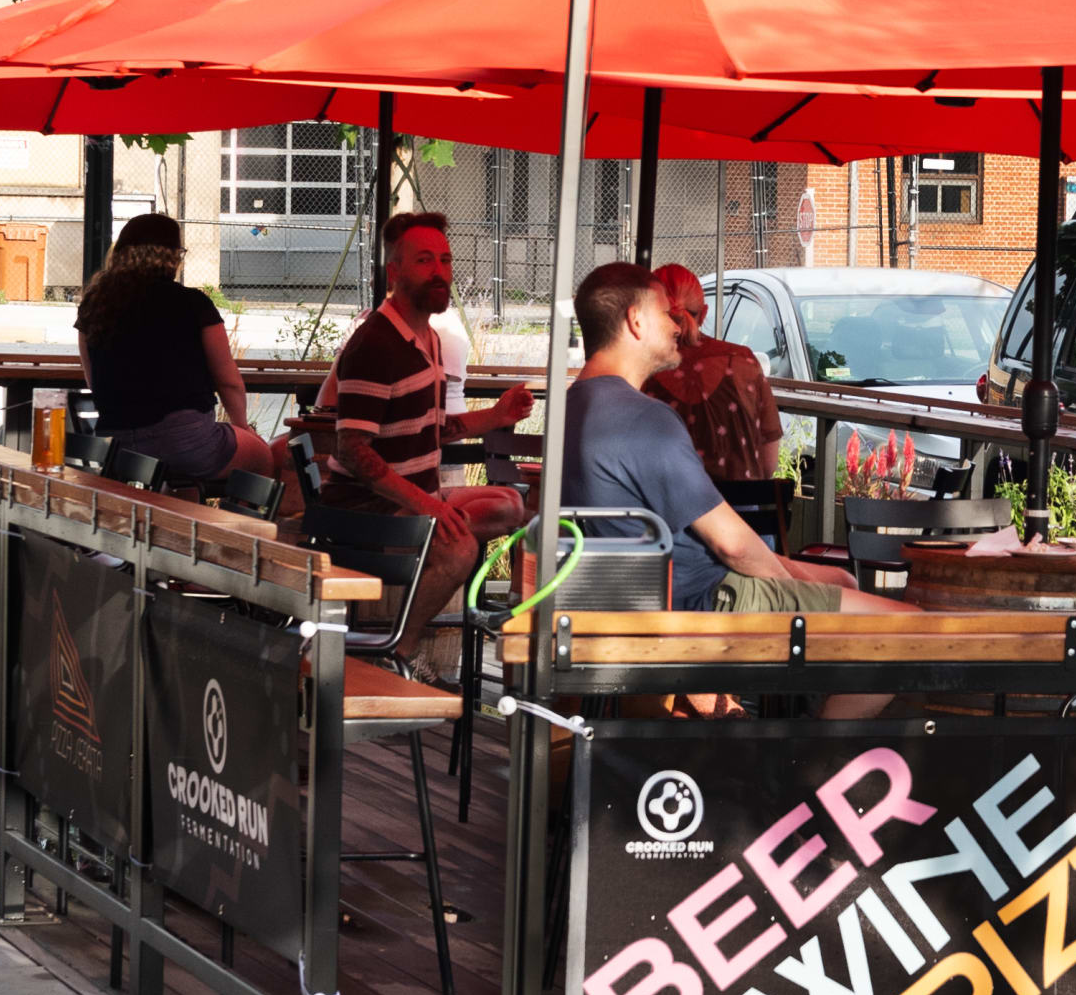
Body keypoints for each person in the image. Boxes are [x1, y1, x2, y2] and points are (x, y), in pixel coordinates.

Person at [561, 261, 906, 717]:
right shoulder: (645, 419)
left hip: (628, 602)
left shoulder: (571, 408)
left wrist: (797, 581)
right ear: (635, 321)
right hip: (697, 605)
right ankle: (809, 770)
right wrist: (792, 591)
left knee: (837, 580)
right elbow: (734, 545)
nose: (678, 327)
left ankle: (778, 748)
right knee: (906, 632)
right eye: (667, 313)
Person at [321, 212, 534, 594]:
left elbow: (430, 430)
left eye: (445, 260)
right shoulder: (376, 344)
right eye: (424, 260)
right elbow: (351, 450)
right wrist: (429, 505)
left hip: (409, 503)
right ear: (394, 272)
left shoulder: (428, 337)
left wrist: (498, 415)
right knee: (459, 550)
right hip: (366, 513)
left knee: (513, 506)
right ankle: (400, 648)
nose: (439, 271)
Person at [73, 214, 281, 492]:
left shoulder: (94, 307)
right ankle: (240, 532)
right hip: (186, 442)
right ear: (172, 257)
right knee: (261, 456)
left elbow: (94, 382)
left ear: (120, 255)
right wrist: (242, 427)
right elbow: (228, 381)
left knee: (185, 478)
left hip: (117, 444)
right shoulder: (193, 304)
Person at [650, 261, 783, 484]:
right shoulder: (742, 361)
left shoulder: (643, 371)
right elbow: (768, 464)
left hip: (665, 516)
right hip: (744, 513)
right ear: (704, 314)